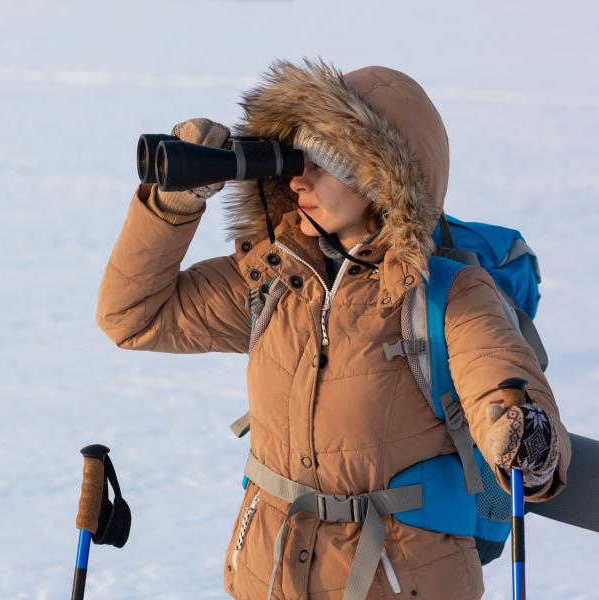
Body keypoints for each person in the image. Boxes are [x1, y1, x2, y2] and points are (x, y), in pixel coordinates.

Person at [95, 58, 570, 600]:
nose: (298, 179)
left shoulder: (448, 293)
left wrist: (522, 434)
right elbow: (131, 317)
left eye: (325, 161)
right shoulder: (273, 280)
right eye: (296, 156)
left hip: (400, 583)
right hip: (269, 577)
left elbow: (502, 384)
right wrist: (171, 205)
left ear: (383, 180)